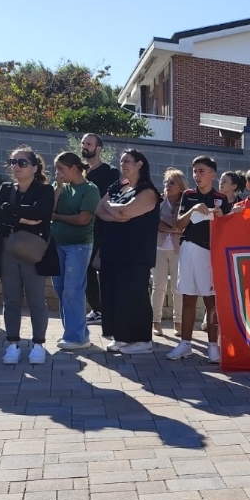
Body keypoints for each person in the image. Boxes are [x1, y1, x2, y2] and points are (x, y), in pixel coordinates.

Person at [0, 147, 56, 365]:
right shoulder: (6, 187)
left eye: (22, 162)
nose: (16, 166)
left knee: (36, 299)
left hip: (32, 250)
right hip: (7, 247)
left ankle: (38, 345)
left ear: (35, 167)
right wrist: (20, 219)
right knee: (11, 300)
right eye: (12, 162)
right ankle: (12, 344)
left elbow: (40, 213)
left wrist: (9, 209)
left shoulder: (44, 190)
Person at [93, 149, 159, 354]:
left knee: (134, 295)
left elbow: (125, 211)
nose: (123, 164)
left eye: (128, 161)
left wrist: (114, 209)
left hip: (136, 254)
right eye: (121, 161)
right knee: (113, 294)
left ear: (140, 164)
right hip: (113, 250)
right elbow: (99, 209)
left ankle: (142, 340)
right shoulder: (118, 187)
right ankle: (121, 337)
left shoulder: (148, 191)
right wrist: (117, 213)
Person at [167, 156, 223, 363]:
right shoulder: (188, 195)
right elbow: (179, 225)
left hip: (210, 253)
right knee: (188, 298)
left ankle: (213, 347)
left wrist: (221, 215)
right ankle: (185, 344)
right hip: (188, 249)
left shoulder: (220, 197)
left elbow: (226, 227)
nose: (197, 175)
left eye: (201, 171)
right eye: (194, 171)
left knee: (211, 301)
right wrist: (192, 210)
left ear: (212, 174)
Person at [50, 151, 100, 349]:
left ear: (73, 168)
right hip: (57, 244)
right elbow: (48, 212)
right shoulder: (59, 187)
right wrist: (58, 189)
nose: (57, 173)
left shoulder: (90, 189)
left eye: (61, 169)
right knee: (62, 289)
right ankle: (72, 333)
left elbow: (83, 219)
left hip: (79, 245)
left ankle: (77, 337)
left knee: (73, 289)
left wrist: (58, 217)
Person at [81, 133, 120, 324]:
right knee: (85, 268)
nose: (84, 146)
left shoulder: (110, 172)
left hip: (102, 228)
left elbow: (110, 199)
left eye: (88, 143)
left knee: (101, 269)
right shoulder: (78, 171)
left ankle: (107, 310)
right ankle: (98, 309)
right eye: (82, 143)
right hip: (80, 228)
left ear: (98, 149)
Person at [152, 167, 186, 337]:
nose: (167, 185)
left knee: (178, 288)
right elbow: (155, 223)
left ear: (180, 186)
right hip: (158, 248)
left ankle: (178, 323)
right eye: (166, 182)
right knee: (158, 286)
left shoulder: (187, 203)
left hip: (177, 250)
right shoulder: (158, 201)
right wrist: (173, 227)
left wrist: (170, 225)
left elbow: (183, 225)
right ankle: (156, 322)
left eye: (172, 182)